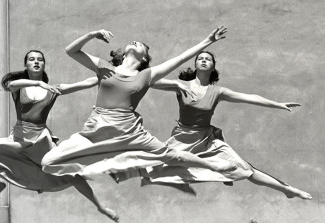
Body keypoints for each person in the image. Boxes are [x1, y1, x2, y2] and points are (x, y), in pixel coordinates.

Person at [41, 26, 235, 180]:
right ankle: (98, 166)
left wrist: (208, 41)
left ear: (144, 58)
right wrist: (92, 34)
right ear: (124, 54)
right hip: (96, 128)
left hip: (129, 131)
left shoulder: (146, 76)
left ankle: (214, 165)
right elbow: (71, 51)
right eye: (133, 43)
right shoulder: (105, 68)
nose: (136, 43)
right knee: (48, 162)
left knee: (170, 155)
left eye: (141, 45)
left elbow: (180, 58)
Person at [0, 50, 120, 222]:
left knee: (73, 175)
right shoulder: (19, 87)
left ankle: (101, 207)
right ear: (26, 65)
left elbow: (86, 82)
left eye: (40, 59)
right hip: (20, 139)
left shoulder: (53, 90)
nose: (36, 62)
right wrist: (39, 84)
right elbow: (10, 84)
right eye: (32, 59)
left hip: (41, 140)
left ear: (44, 65)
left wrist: (110, 72)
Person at [146, 51, 312, 200]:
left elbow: (249, 97)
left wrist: (277, 103)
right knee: (152, 171)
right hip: (183, 138)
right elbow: (147, 80)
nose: (203, 60)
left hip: (207, 139)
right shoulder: (181, 85)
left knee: (245, 168)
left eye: (208, 59)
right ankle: (223, 175)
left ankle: (287, 190)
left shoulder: (218, 92)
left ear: (213, 68)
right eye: (200, 59)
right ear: (195, 65)